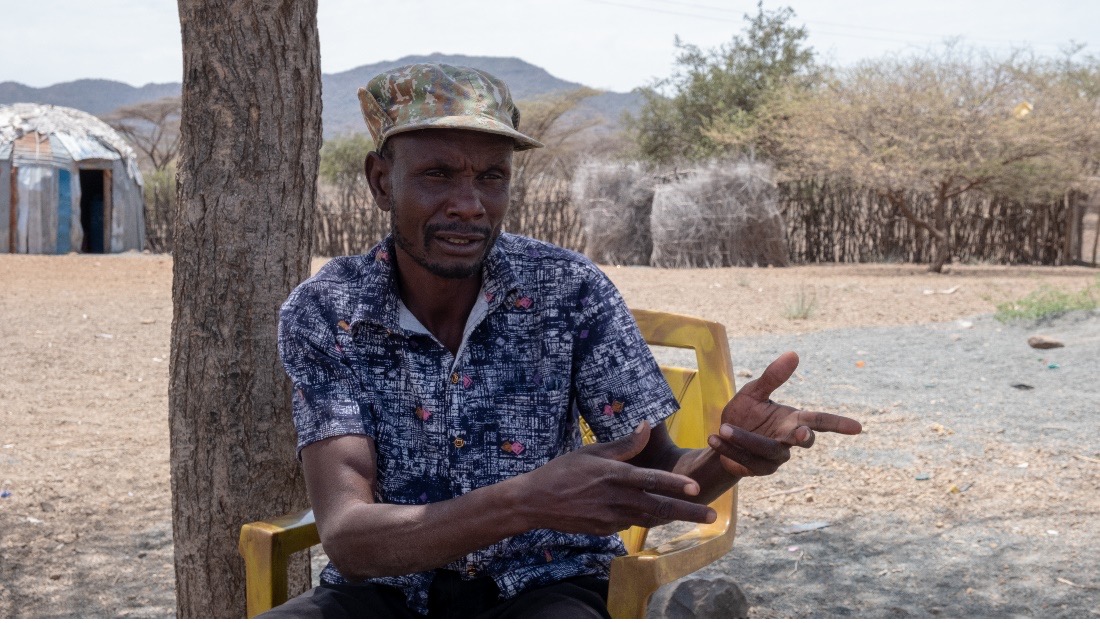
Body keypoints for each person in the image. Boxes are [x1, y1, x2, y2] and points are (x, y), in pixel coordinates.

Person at [265, 63, 862, 618]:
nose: (469, 205)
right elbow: (349, 539)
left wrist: (729, 457)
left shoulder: (568, 290)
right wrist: (527, 500)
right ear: (379, 181)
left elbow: (659, 470)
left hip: (547, 585)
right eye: (437, 174)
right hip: (383, 592)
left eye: (491, 176)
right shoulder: (330, 310)